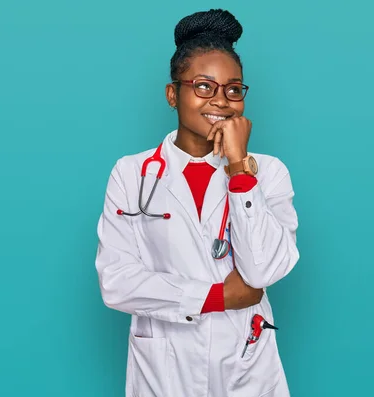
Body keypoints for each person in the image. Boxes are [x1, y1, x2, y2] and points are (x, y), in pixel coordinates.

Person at [95, 8, 299, 397]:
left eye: (233, 89)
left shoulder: (268, 173)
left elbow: (263, 272)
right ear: (173, 94)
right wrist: (217, 296)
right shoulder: (132, 173)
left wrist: (240, 170)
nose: (221, 101)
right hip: (164, 367)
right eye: (204, 86)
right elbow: (116, 282)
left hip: (245, 363)